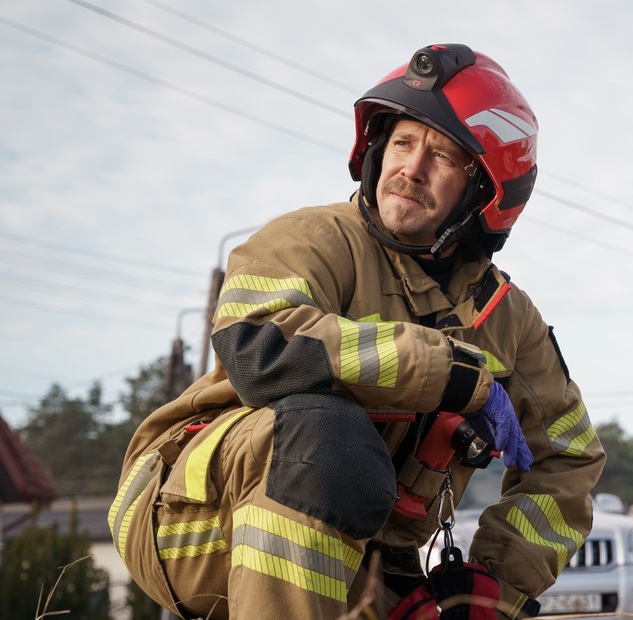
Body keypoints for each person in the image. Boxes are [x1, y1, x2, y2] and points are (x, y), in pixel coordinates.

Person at [109, 43, 605, 620]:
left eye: (443, 157)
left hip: (362, 550)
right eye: (401, 142)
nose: (410, 170)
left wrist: (498, 585)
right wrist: (448, 371)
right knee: (326, 438)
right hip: (187, 516)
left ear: (488, 192)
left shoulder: (507, 320)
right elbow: (261, 349)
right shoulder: (311, 238)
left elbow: (568, 457)